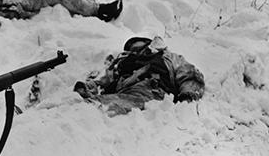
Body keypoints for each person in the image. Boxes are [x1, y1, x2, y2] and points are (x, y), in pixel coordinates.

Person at [74, 36, 205, 116]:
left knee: (98, 107)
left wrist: (188, 95)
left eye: (136, 46)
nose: (132, 50)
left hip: (150, 90)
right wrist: (90, 87)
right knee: (93, 104)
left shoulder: (168, 57)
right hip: (125, 92)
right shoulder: (121, 64)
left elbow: (190, 74)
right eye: (130, 49)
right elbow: (104, 81)